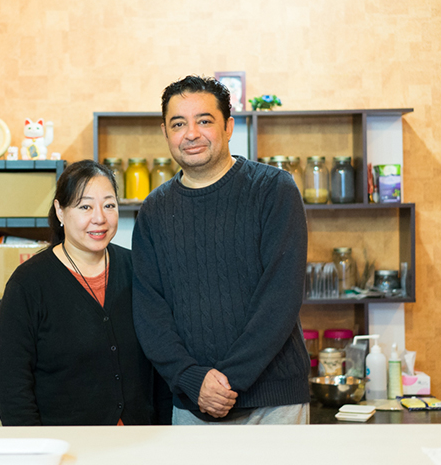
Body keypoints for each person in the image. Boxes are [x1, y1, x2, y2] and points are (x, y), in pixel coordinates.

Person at [131, 75, 310, 425]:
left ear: (228, 127)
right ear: (166, 133)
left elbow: (281, 297)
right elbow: (150, 313)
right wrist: (194, 380)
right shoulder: (153, 211)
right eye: (178, 123)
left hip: (275, 404)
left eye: (204, 121)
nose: (192, 133)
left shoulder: (274, 190)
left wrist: (227, 383)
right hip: (193, 402)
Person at [0, 160, 158, 425]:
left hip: (140, 443)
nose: (100, 218)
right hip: (65, 447)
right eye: (85, 206)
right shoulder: (28, 284)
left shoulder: (138, 269)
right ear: (60, 210)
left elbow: (158, 361)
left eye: (109, 205)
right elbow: (11, 386)